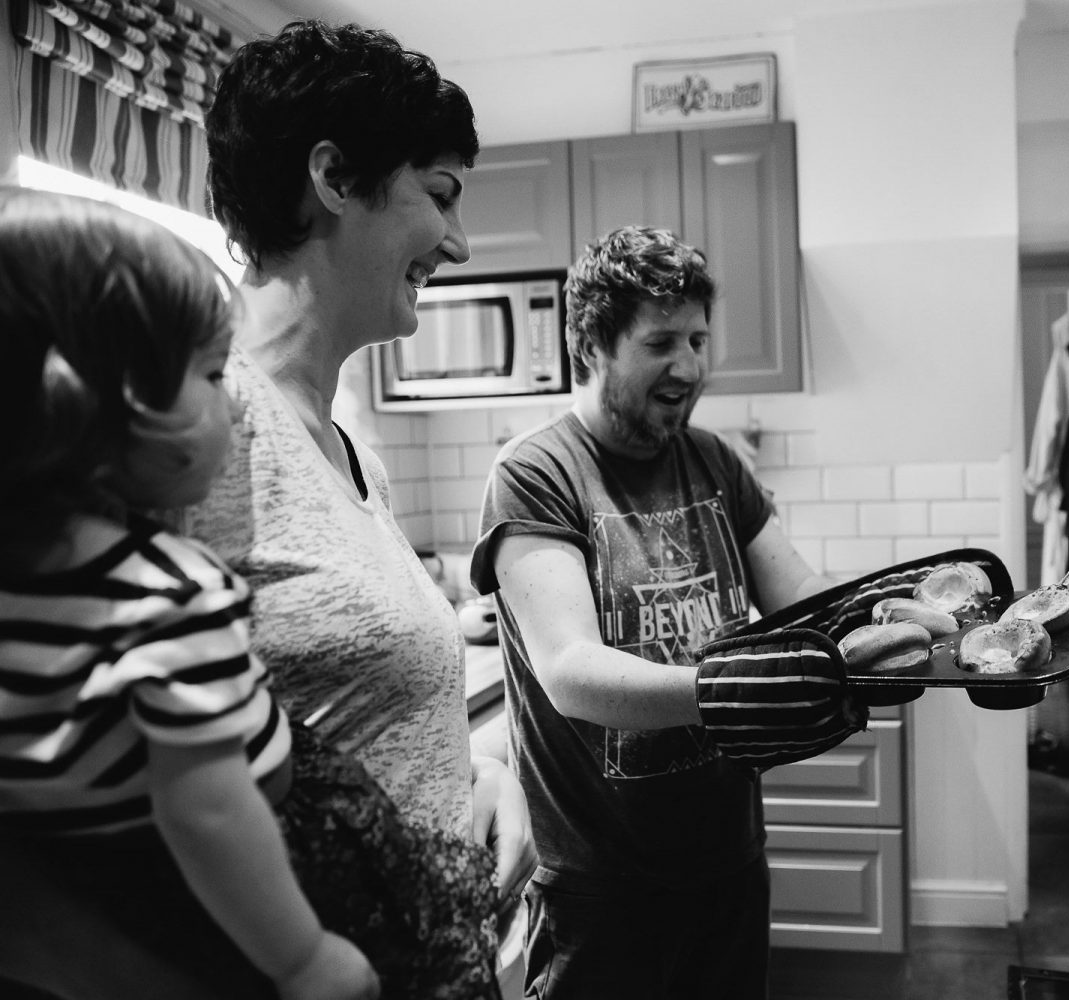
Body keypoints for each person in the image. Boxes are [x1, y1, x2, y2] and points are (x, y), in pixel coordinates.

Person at [0, 189, 507, 999]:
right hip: (258, 942)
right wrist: (305, 960)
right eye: (208, 373)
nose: (236, 398)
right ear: (105, 410)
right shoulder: (170, 596)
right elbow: (205, 809)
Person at [179, 16, 535, 924]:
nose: (457, 244)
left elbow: (351, 726)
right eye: (440, 193)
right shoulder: (203, 430)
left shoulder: (349, 452)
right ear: (335, 179)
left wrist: (484, 778)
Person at [469, 226, 870, 999]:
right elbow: (570, 673)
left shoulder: (717, 462)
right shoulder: (536, 474)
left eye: (698, 339)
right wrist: (732, 687)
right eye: (661, 342)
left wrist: (918, 621)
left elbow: (811, 608)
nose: (689, 367)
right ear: (593, 343)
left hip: (728, 867)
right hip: (599, 891)